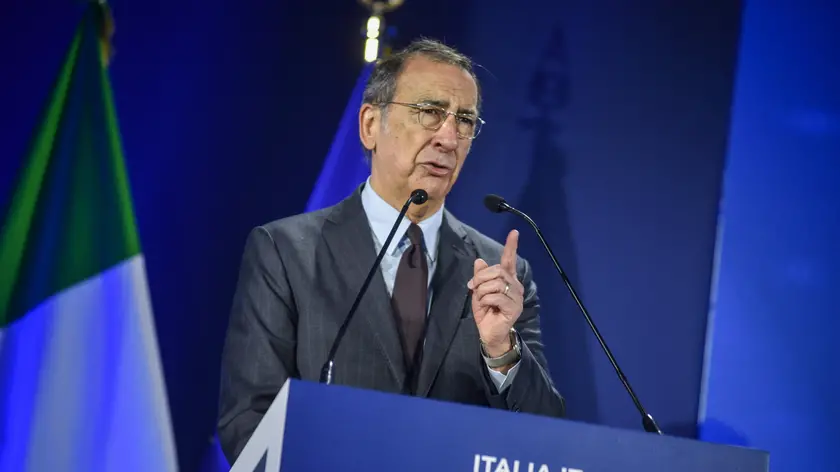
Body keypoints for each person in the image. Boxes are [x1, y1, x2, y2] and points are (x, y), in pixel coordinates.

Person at [217, 38, 565, 464]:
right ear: (370, 125)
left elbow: (544, 437)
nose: (449, 138)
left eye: (465, 121)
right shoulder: (285, 252)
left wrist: (501, 351)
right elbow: (249, 420)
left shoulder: (501, 274)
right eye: (430, 111)